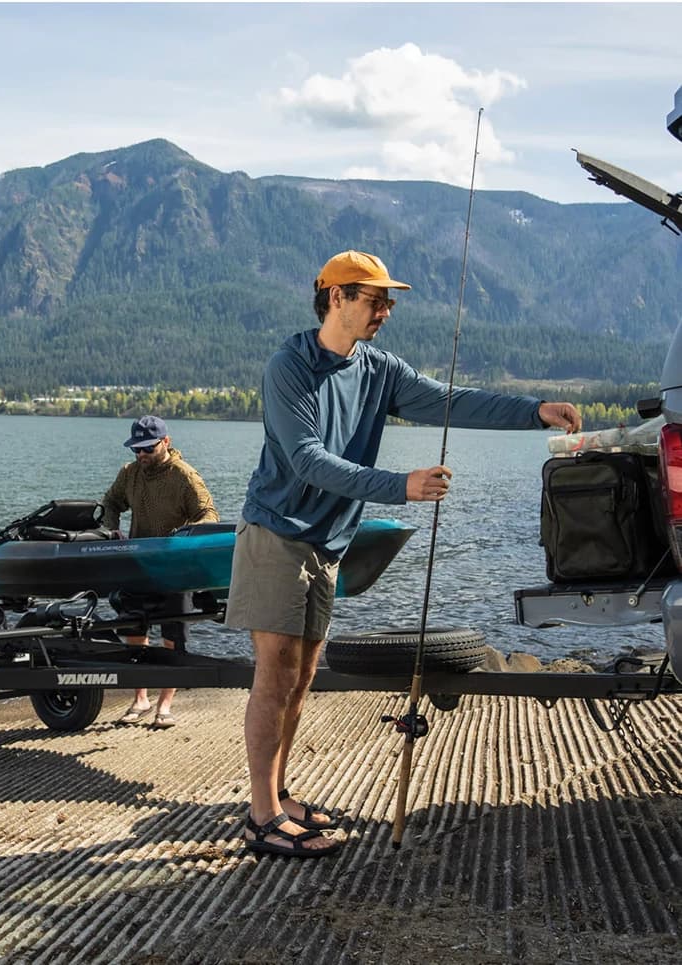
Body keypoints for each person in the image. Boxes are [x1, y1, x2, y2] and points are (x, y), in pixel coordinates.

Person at [226, 249, 582, 858]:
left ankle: (280, 794)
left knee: (304, 675)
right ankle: (261, 815)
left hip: (328, 541)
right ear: (335, 297)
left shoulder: (378, 368)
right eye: (374, 299)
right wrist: (401, 485)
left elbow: (450, 400)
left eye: (388, 301)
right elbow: (308, 459)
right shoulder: (290, 367)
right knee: (275, 671)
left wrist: (534, 412)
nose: (385, 311)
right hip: (278, 533)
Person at [102, 415, 220, 728]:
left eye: (148, 449)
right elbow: (110, 503)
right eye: (136, 449)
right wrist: (111, 530)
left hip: (177, 571)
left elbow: (209, 515)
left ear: (165, 442)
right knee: (134, 633)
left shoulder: (185, 476)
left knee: (173, 638)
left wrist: (185, 535)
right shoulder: (130, 474)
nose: (141, 455)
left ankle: (164, 705)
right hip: (139, 566)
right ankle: (140, 698)